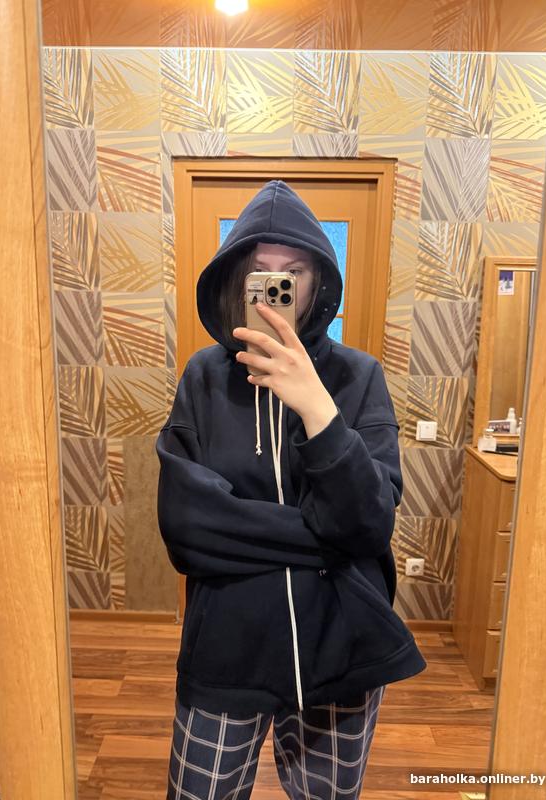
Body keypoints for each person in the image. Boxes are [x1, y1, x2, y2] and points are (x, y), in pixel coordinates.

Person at [155, 179, 427, 799]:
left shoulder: (358, 378)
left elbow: (368, 524)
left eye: (294, 270)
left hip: (341, 644)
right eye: (261, 269)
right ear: (237, 278)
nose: (276, 284)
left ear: (317, 280)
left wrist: (317, 408)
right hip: (226, 645)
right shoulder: (203, 377)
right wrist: (323, 539)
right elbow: (187, 530)